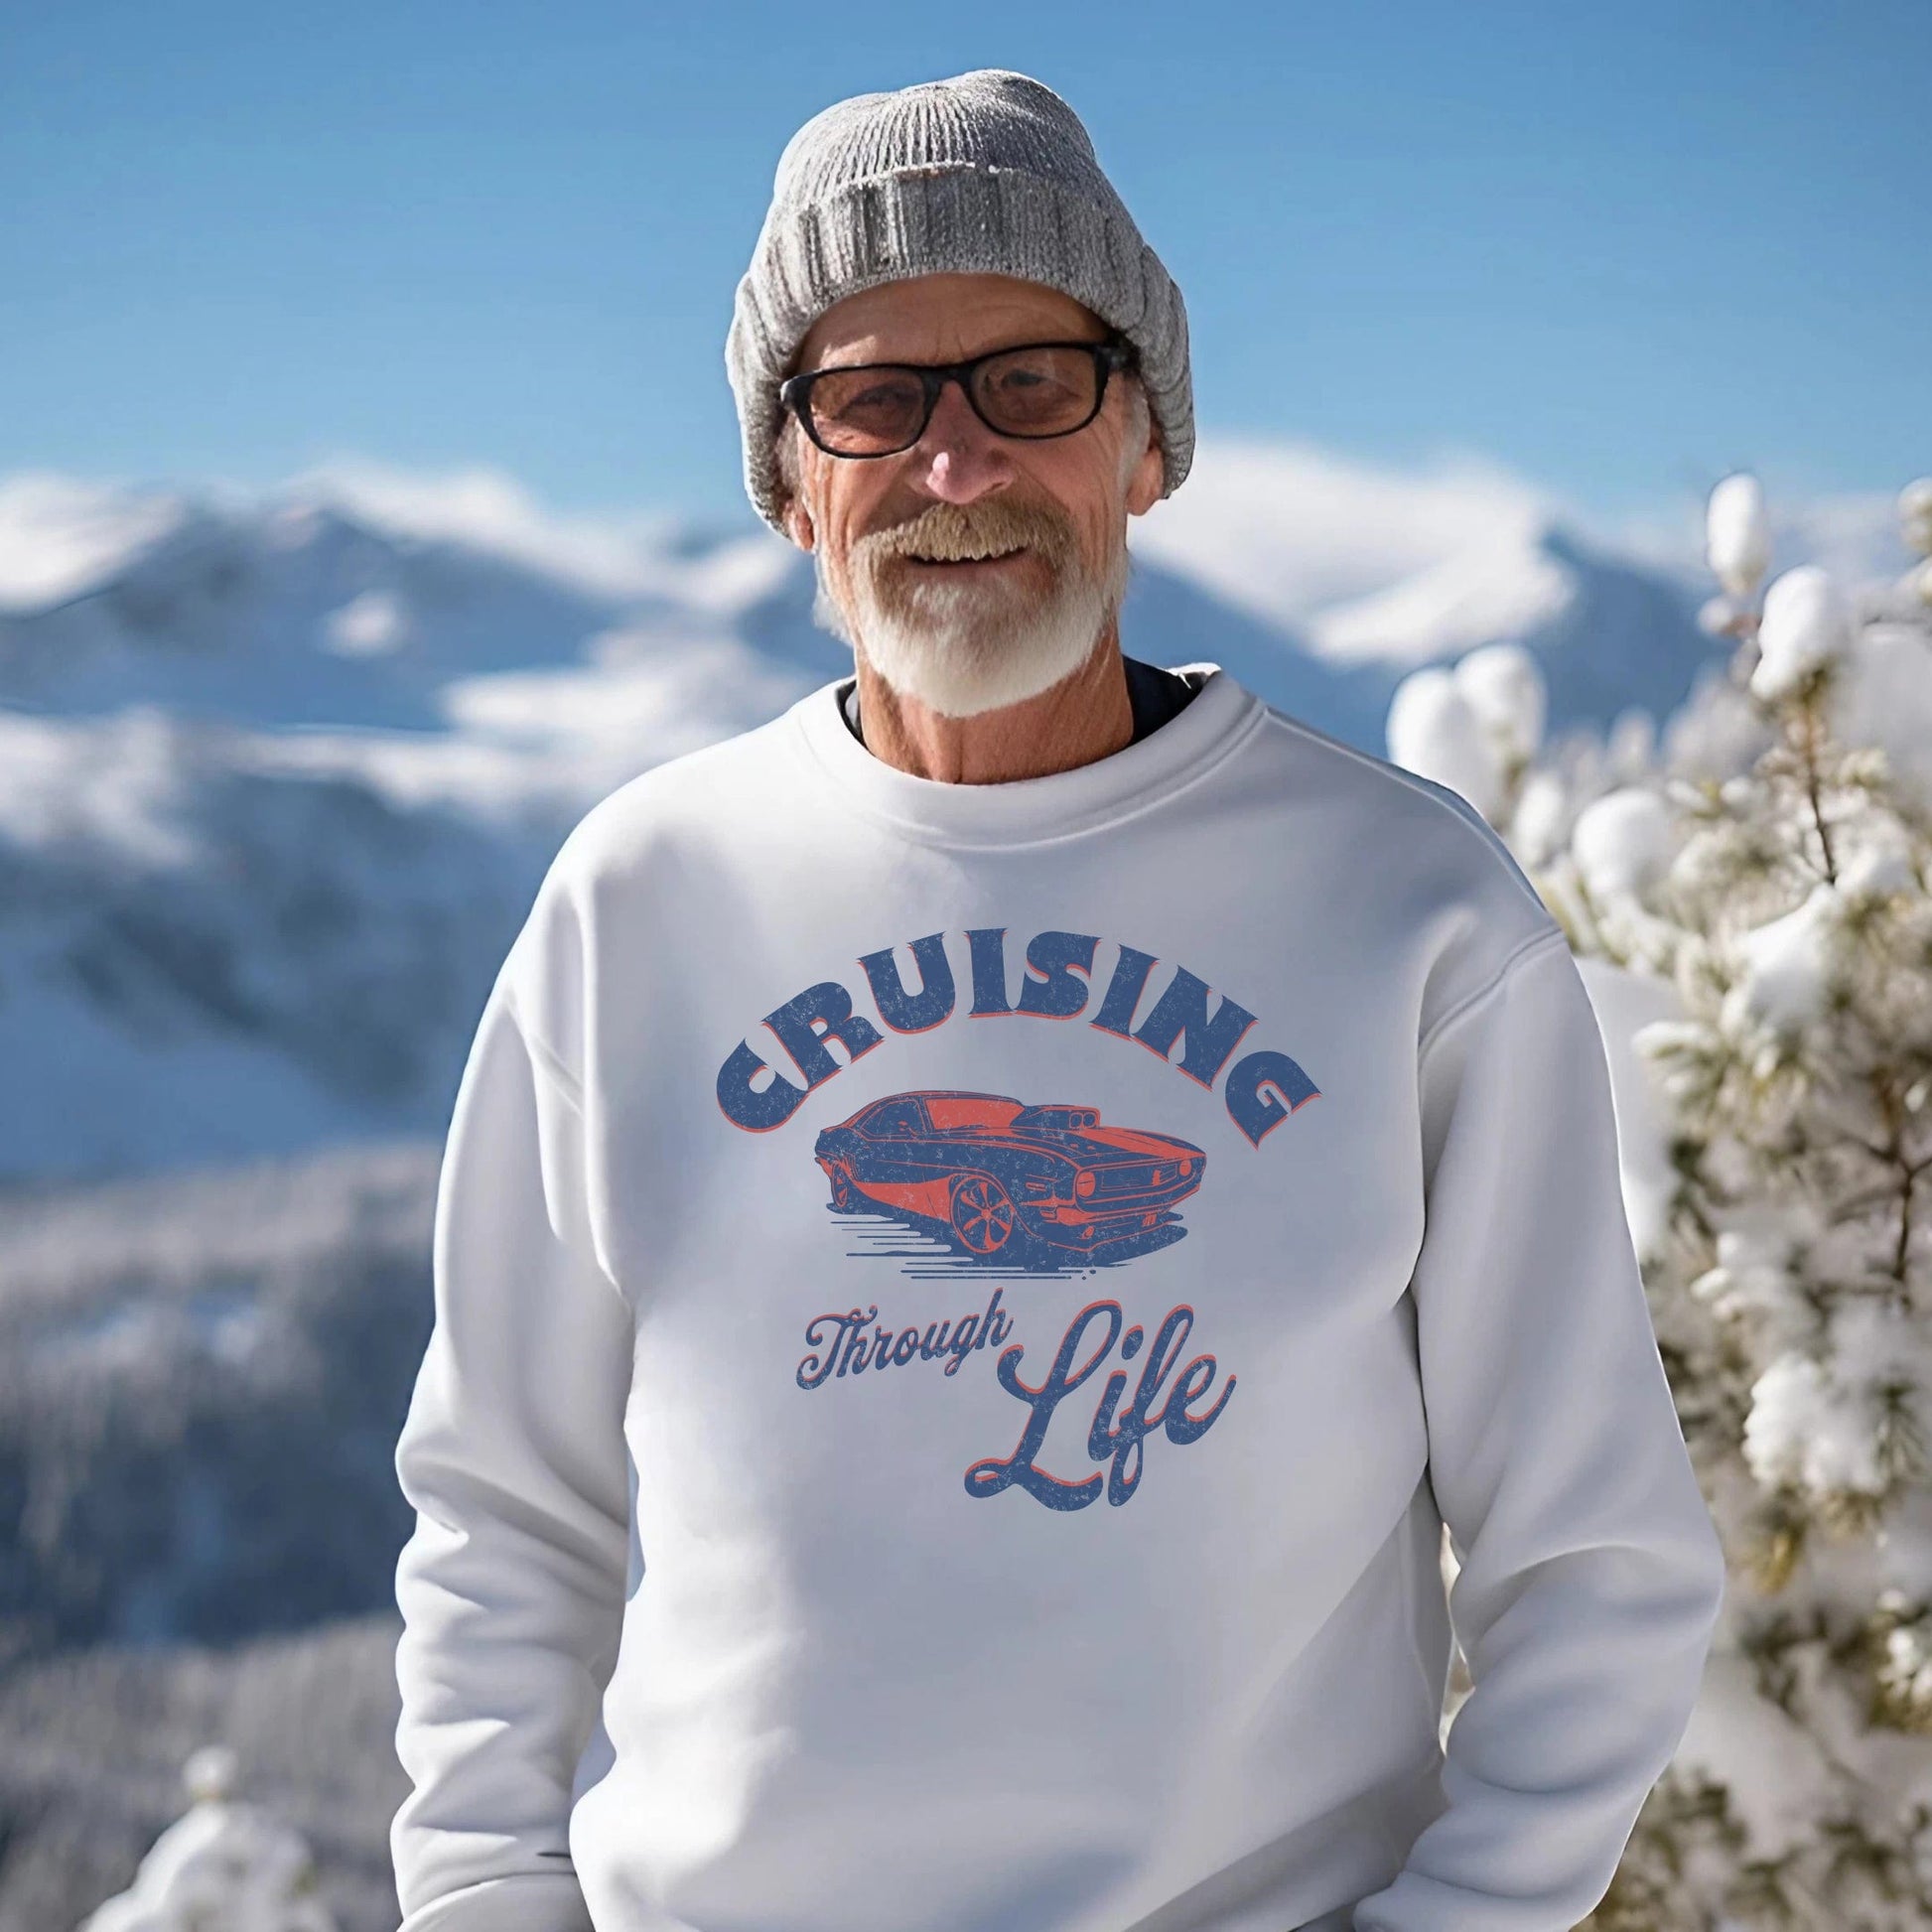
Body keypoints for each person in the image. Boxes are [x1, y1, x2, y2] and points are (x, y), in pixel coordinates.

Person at [388, 68, 1726, 1932]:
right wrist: (477, 1903)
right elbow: (502, 1508)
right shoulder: (639, 903)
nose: (957, 468)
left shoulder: (1409, 917)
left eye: (1030, 383)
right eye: (871, 401)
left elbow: (1592, 1561)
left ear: (1146, 445)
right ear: (791, 487)